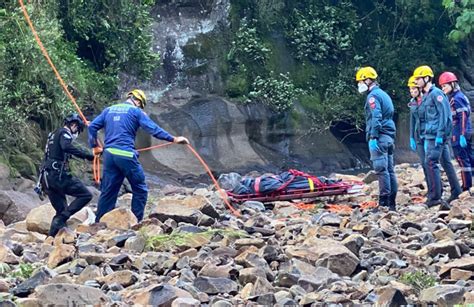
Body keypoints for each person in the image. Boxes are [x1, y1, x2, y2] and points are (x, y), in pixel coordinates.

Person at [88, 89, 190, 223]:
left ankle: (100, 222)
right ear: (137, 101)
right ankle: (136, 222)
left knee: (109, 191)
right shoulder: (136, 112)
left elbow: (92, 127)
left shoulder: (109, 110)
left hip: (109, 156)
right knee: (140, 189)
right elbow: (153, 129)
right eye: (141, 105)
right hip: (126, 155)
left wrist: (94, 146)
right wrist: (173, 139)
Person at [412, 65, 461, 208]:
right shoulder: (427, 95)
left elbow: (445, 116)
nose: (416, 81)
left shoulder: (436, 94)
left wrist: (440, 135)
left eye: (419, 79)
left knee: (430, 162)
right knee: (446, 162)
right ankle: (456, 191)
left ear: (427, 78)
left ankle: (434, 197)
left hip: (435, 136)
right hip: (430, 134)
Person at [41, 114, 94, 237]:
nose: (76, 134)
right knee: (86, 195)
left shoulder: (52, 134)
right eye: (77, 130)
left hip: (46, 179)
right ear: (73, 125)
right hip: (57, 177)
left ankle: (50, 240)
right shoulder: (64, 134)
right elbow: (66, 146)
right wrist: (86, 155)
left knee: (61, 212)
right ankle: (62, 224)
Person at [355, 66, 397, 210]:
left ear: (367, 80)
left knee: (381, 170)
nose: (359, 85)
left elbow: (376, 116)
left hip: (380, 136)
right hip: (389, 136)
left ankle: (384, 203)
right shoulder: (383, 94)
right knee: (390, 170)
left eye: (360, 81)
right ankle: (392, 203)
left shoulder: (372, 96)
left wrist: (373, 136)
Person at [439, 71, 474, 193]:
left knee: (462, 159)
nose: (443, 89)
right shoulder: (458, 97)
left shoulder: (456, 99)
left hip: (459, 133)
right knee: (470, 157)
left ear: (452, 84)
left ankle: (466, 186)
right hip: (464, 131)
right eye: (442, 87)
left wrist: (462, 135)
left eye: (445, 86)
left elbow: (463, 116)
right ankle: (470, 184)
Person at [408, 76, 432, 193]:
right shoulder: (412, 103)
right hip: (418, 136)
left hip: (428, 135)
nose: (412, 92)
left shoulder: (427, 100)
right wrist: (411, 136)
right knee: (423, 162)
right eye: (411, 90)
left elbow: (430, 119)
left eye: (414, 90)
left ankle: (435, 189)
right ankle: (429, 187)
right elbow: (412, 120)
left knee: (430, 163)